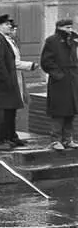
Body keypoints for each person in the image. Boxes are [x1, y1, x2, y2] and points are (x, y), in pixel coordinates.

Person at [0, 14, 39, 151]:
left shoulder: (2, 40)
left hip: (3, 87)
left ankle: (6, 138)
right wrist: (7, 81)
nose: (10, 26)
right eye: (7, 24)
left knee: (5, 114)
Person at [39, 18, 78, 150]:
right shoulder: (52, 41)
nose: (70, 30)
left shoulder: (73, 41)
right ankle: (55, 140)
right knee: (59, 111)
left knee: (71, 110)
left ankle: (68, 139)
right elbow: (46, 62)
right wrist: (58, 75)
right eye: (67, 28)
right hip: (59, 81)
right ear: (60, 27)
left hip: (72, 79)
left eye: (70, 27)